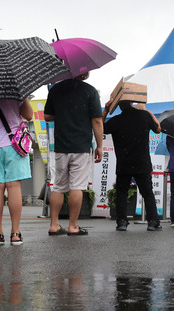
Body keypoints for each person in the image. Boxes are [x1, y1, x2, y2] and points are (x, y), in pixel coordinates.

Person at [44, 72, 103, 236]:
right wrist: (100, 146)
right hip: (81, 146)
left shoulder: (56, 90)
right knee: (77, 186)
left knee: (59, 186)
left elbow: (47, 116)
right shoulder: (90, 91)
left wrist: (63, 111)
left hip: (61, 145)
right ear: (83, 71)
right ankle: (73, 226)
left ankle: (54, 225)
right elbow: (97, 120)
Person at [0, 98, 33, 245]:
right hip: (14, 144)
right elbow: (29, 115)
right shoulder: (15, 90)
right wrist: (24, 96)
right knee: (13, 186)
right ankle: (15, 233)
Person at [102, 101, 162, 231]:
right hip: (142, 162)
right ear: (132, 101)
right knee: (147, 192)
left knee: (122, 193)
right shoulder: (144, 116)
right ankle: (153, 221)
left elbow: (101, 129)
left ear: (119, 105)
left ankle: (122, 222)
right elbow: (158, 129)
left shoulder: (116, 120)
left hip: (124, 163)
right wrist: (148, 111)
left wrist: (106, 110)